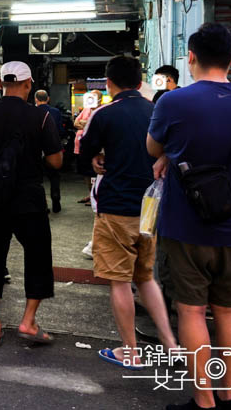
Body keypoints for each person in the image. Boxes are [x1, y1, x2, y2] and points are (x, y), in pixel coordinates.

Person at [147, 23, 231, 410]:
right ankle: (228, 398)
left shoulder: (173, 102)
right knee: (227, 310)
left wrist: (166, 154)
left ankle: (204, 401)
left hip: (185, 224)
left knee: (191, 311)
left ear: (190, 57)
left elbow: (153, 146)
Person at [77, 56, 177, 371]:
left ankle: (130, 352)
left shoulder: (103, 114)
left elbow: (82, 156)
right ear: (139, 82)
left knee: (120, 281)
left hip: (116, 208)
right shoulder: (156, 111)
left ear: (109, 84)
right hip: (150, 208)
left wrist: (95, 162)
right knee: (146, 277)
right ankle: (171, 344)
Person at [0, 61, 63, 347]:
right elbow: (56, 161)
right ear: (29, 84)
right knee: (38, 257)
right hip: (28, 198)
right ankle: (28, 322)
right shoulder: (41, 117)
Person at [34, 90, 64, 213]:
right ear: (48, 99)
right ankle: (55, 198)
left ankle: (43, 204)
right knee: (54, 176)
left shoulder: (33, 112)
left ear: (36, 99)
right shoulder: (56, 112)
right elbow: (61, 131)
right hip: (53, 148)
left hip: (36, 150)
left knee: (38, 178)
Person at [74, 89, 102, 207]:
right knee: (85, 172)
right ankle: (90, 194)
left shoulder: (101, 110)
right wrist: (86, 124)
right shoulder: (86, 109)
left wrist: (85, 124)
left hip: (94, 148)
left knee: (94, 174)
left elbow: (96, 126)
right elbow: (76, 123)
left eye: (94, 96)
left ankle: (95, 196)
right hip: (80, 146)